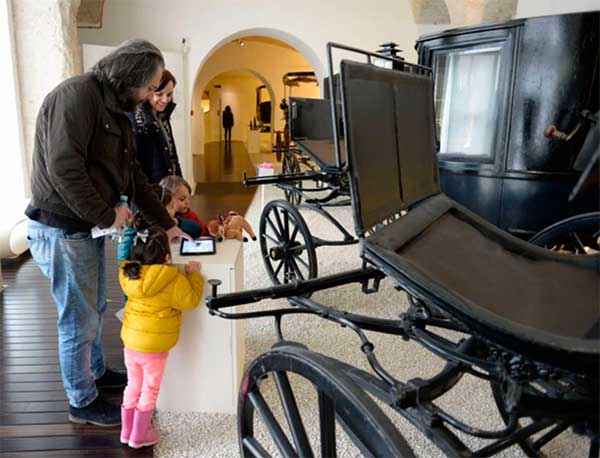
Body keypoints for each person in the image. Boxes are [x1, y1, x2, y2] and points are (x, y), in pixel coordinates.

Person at [25, 39, 190, 427]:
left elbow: (133, 174)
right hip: (62, 227)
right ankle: (80, 401)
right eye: (149, 87)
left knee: (94, 309)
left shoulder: (118, 107)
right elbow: (64, 170)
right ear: (129, 77)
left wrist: (167, 225)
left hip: (85, 228)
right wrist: (107, 215)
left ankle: (97, 373)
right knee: (79, 320)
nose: (152, 95)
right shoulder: (77, 96)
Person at [119, 226, 204, 448]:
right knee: (150, 389)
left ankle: (126, 430)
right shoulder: (172, 279)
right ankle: (139, 435)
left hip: (130, 342)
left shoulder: (129, 274)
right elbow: (191, 301)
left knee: (133, 384)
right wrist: (194, 276)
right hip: (155, 348)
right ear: (167, 256)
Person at [129, 69, 182, 184]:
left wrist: (180, 183)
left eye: (169, 95)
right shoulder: (138, 120)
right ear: (148, 91)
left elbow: (172, 155)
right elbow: (138, 166)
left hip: (168, 187)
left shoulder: (162, 116)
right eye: (159, 94)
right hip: (153, 190)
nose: (165, 100)